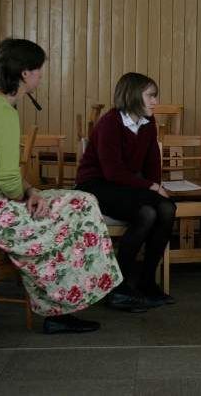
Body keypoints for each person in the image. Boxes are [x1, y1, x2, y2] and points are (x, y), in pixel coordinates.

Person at [0, 38, 123, 335]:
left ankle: (64, 304)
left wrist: (31, 191)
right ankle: (59, 309)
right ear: (25, 73)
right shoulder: (2, 111)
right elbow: (6, 181)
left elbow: (2, 174)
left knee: (82, 202)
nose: (41, 75)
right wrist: (27, 197)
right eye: (39, 69)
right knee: (73, 215)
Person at [76, 72, 177, 311]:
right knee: (146, 214)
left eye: (155, 96)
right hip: (96, 185)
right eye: (150, 96)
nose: (155, 101)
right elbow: (112, 172)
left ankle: (146, 281)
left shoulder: (148, 122)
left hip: (125, 185)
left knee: (166, 208)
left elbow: (153, 163)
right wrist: (151, 187)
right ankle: (117, 287)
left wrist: (156, 188)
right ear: (133, 96)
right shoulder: (110, 122)